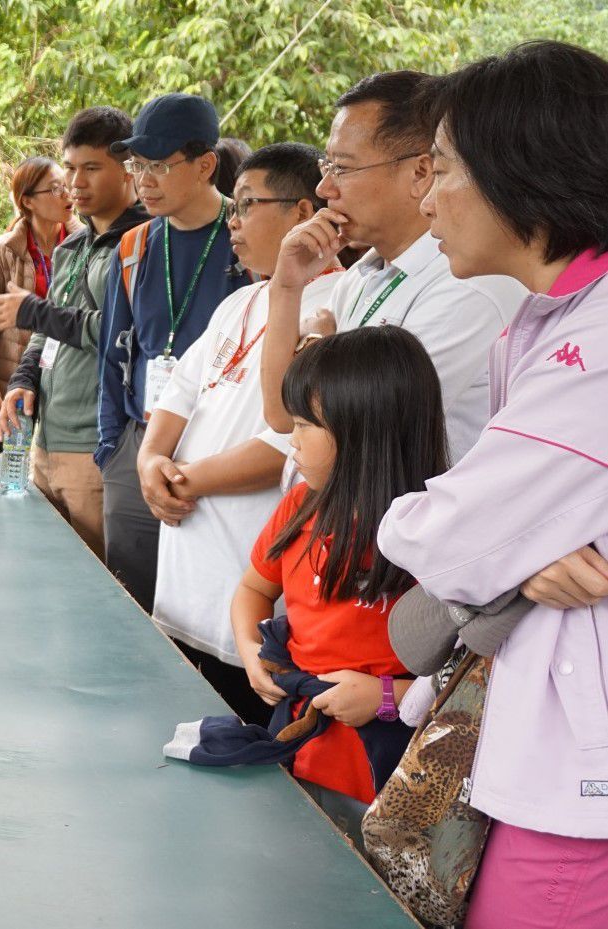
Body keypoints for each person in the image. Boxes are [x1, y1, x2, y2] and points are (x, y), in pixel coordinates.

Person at [376, 41, 608, 928]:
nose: (425, 198)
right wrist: (522, 547)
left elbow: (447, 539)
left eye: (439, 170)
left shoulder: (592, 347)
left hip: (578, 787)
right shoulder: (543, 326)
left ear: (523, 170)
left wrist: (496, 543)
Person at [140, 143, 341, 723]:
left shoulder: (341, 305)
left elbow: (293, 441)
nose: (232, 220)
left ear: (304, 213)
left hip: (248, 607)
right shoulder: (236, 302)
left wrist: (179, 481)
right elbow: (175, 402)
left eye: (248, 204)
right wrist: (152, 464)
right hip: (181, 595)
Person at [235, 326, 446, 840]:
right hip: (296, 751)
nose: (292, 439)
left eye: (306, 424)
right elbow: (253, 589)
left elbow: (474, 681)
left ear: (364, 431)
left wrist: (386, 698)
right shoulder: (299, 509)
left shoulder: (440, 538)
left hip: (391, 781)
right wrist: (249, 652)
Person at [259, 71, 526, 465]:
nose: (323, 190)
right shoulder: (360, 277)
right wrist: (286, 287)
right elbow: (284, 417)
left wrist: (315, 343)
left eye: (343, 169)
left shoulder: (468, 285)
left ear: (420, 173)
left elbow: (346, 430)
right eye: (326, 166)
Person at [94, 93, 254, 610]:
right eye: (137, 165)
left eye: (159, 165)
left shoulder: (249, 242)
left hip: (223, 455)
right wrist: (112, 450)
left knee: (210, 612)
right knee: (134, 605)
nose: (144, 180)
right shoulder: (134, 246)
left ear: (206, 164)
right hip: (139, 452)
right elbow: (115, 354)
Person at [0, 107, 147, 556]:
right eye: (71, 169)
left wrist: (35, 312)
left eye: (92, 168)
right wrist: (22, 380)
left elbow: (125, 334)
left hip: (97, 447)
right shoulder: (70, 246)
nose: (76, 183)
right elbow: (49, 329)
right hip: (44, 442)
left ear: (129, 169)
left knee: (102, 589)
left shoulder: (143, 243)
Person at [0, 157, 78, 455]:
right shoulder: (2, 251)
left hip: (67, 382)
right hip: (13, 380)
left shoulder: (86, 244)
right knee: (7, 465)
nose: (67, 194)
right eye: (55, 189)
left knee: (55, 467)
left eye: (67, 186)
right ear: (27, 201)